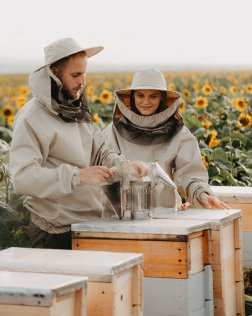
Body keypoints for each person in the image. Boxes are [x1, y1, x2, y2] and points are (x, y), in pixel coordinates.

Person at [9, 37, 147, 249]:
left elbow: (101, 152)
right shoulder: (31, 117)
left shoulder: (76, 109)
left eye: (84, 74)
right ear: (54, 73)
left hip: (90, 225)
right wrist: (78, 176)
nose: (82, 82)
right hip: (52, 231)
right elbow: (23, 178)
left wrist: (124, 166)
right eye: (75, 75)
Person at [103, 67, 229, 210]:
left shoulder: (179, 133)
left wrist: (201, 193)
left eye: (153, 96)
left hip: (164, 214)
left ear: (162, 97)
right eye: (140, 95)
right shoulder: (112, 131)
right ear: (132, 97)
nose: (145, 101)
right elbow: (102, 170)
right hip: (120, 215)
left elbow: (189, 173)